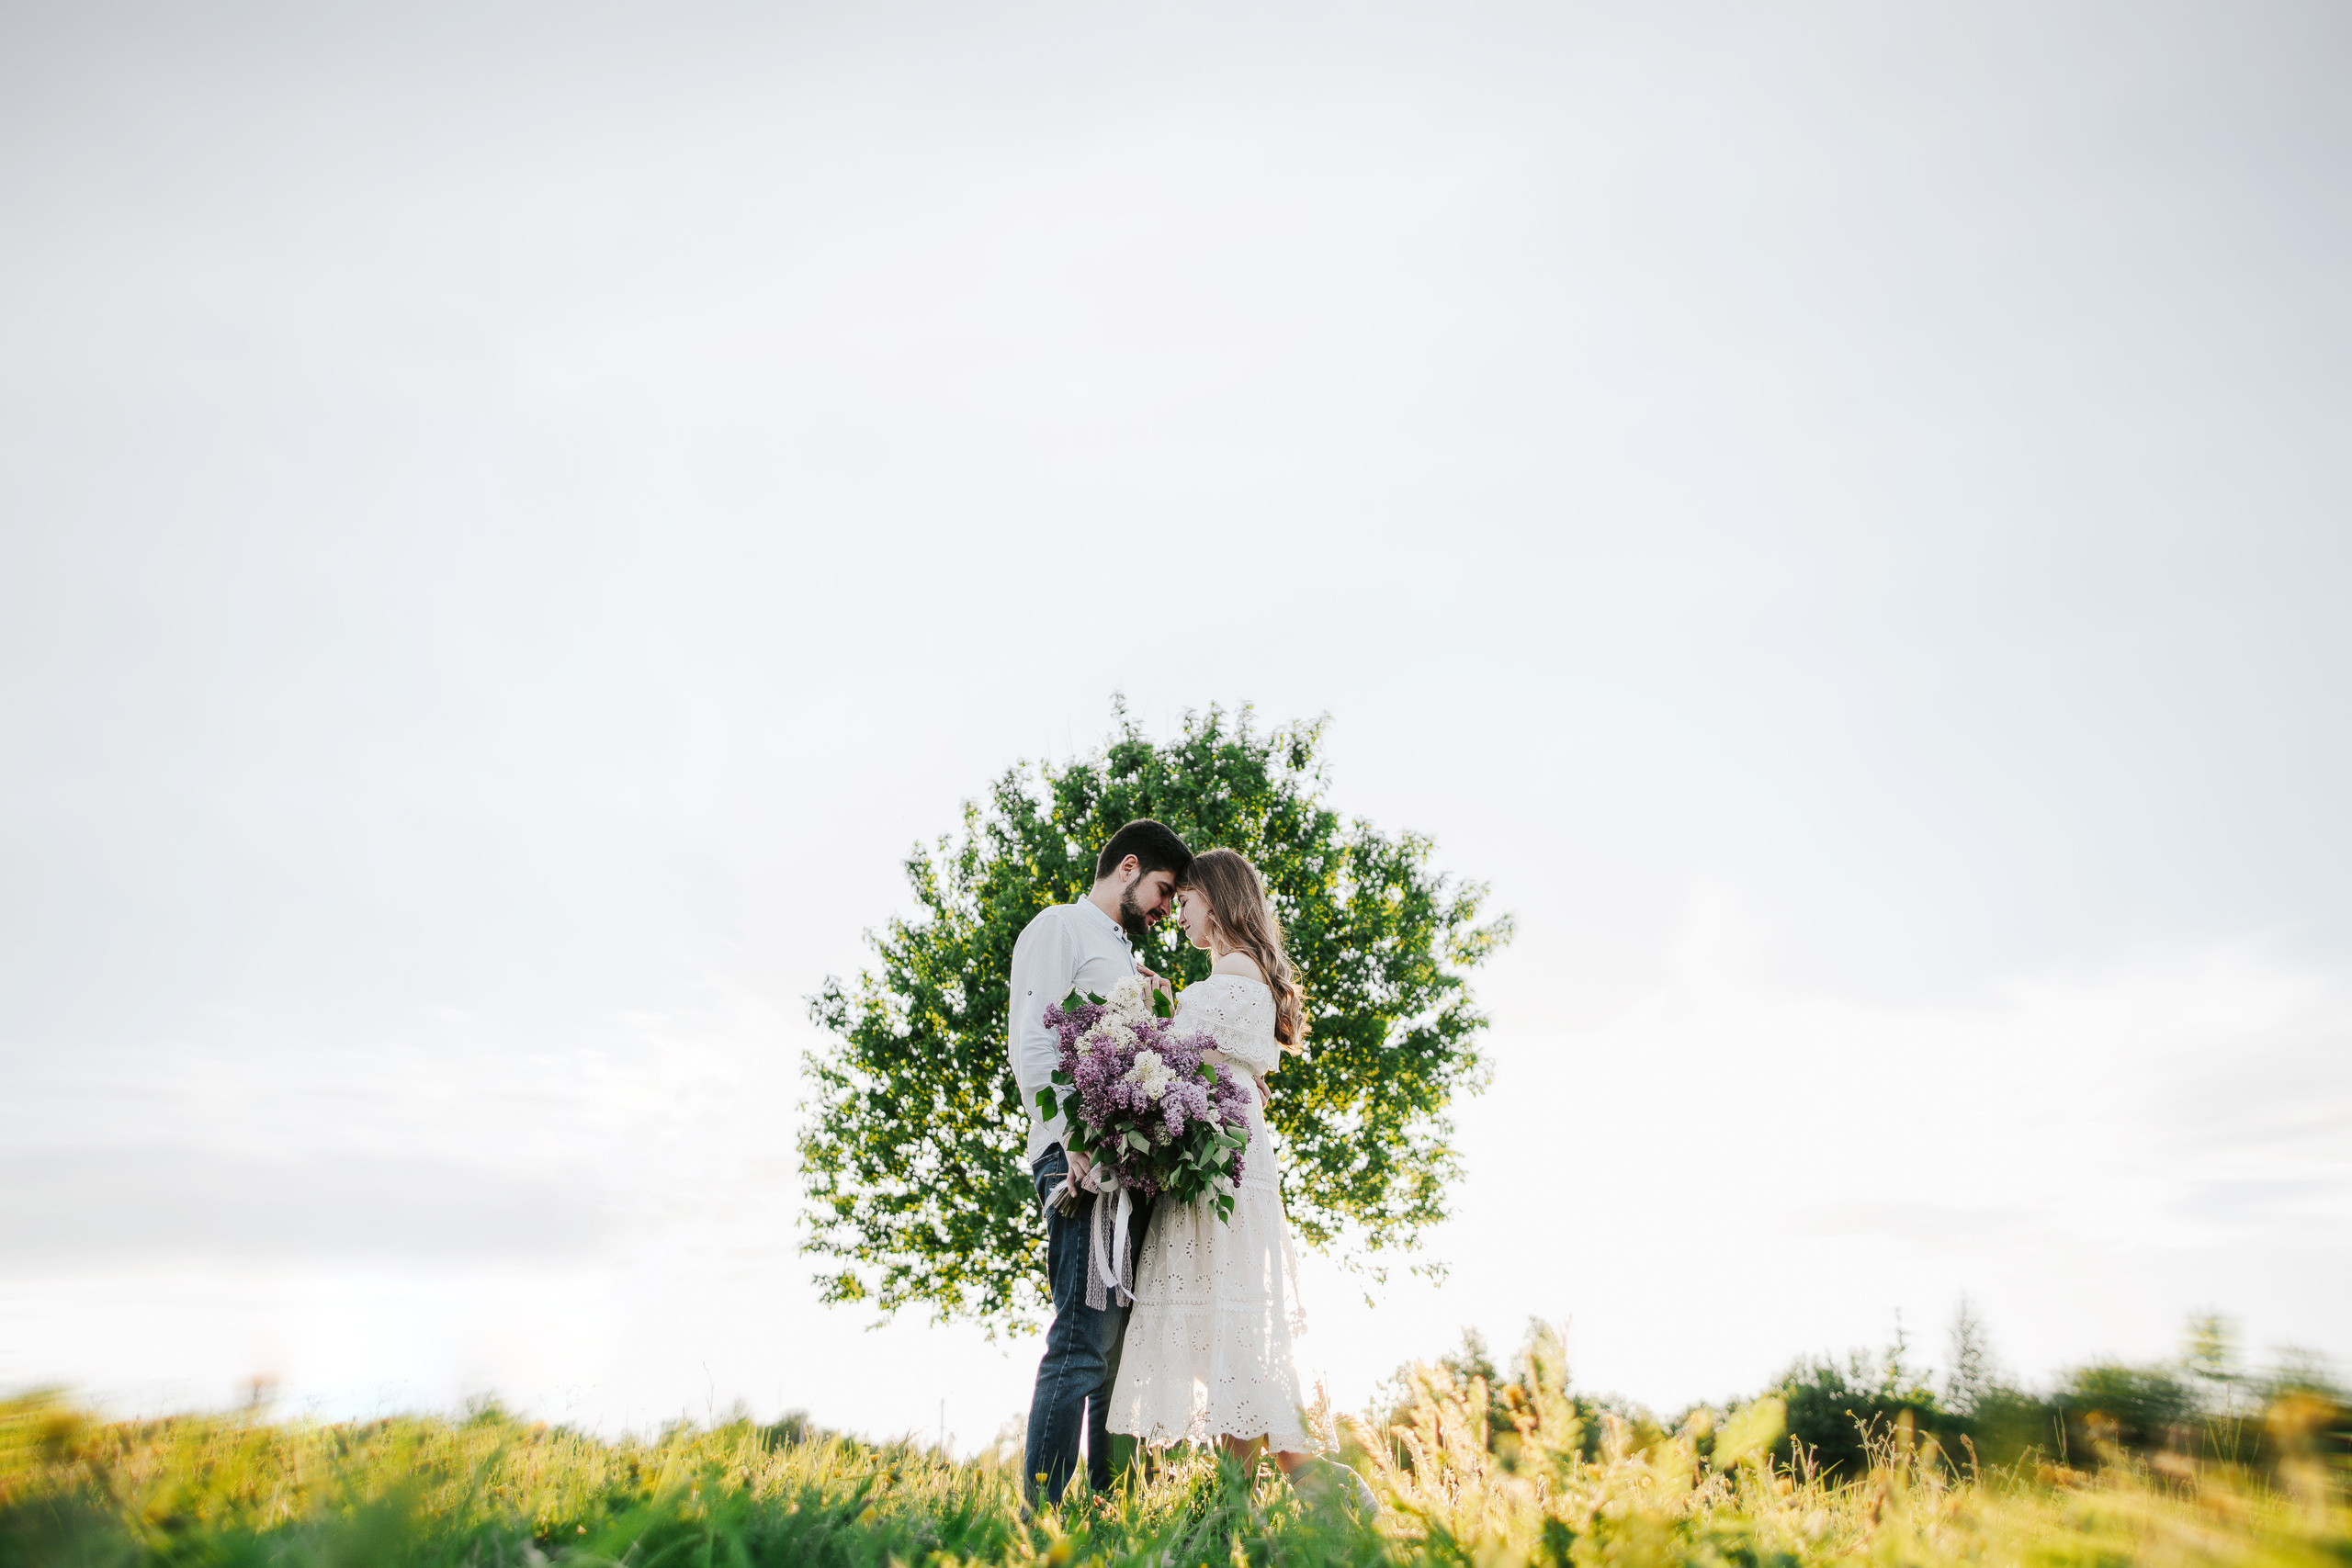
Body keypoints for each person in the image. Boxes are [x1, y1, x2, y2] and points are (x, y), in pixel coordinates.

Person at [1106, 848, 1377, 1512]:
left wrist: (1147, 1010)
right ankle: (1249, 1511)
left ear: (1219, 900)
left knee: (1230, 1331)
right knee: (1235, 1336)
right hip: (1236, 1158)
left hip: (1219, 1174)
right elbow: (1212, 1053)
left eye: (1189, 901)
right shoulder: (1244, 975)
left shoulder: (1228, 971)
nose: (1182, 916)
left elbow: (1172, 1056)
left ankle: (1300, 1497)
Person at [1012, 818, 1193, 1507]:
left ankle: (1107, 1510)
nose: (1163, 909)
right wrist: (1070, 1140)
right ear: (1127, 866)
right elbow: (1034, 1039)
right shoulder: (1059, 926)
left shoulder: (1121, 953)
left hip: (1125, 1174)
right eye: (1162, 889)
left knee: (1116, 1360)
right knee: (1082, 1343)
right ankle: (1045, 1518)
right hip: (1078, 1166)